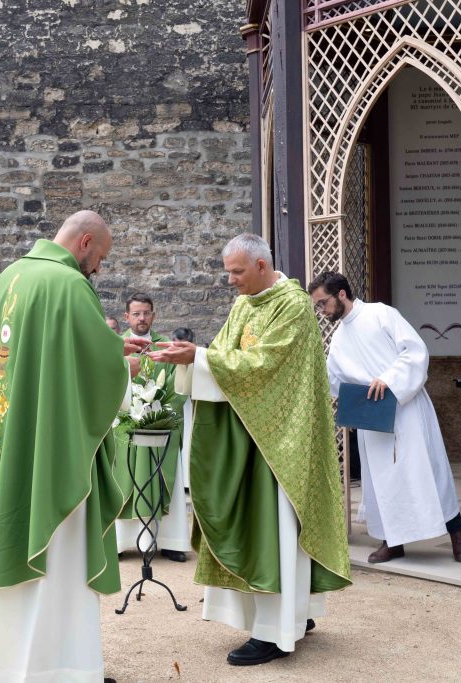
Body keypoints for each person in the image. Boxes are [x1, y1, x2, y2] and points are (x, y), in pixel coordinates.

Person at [0, 210, 141, 683]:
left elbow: (39, 357)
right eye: (100, 258)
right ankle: (60, 668)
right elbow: (92, 370)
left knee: (9, 535)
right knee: (58, 554)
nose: (98, 268)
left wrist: (106, 351)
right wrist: (125, 371)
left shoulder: (9, 276)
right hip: (50, 447)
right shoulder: (69, 285)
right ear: (85, 242)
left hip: (6, 436)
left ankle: (5, 659)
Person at [151, 233, 351, 666]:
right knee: (261, 527)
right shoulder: (244, 303)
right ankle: (293, 612)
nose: (231, 281)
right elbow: (224, 353)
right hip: (247, 431)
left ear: (262, 266)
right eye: (228, 272)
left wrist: (199, 359)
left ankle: (273, 628)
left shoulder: (293, 307)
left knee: (272, 526)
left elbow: (265, 367)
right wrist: (192, 358)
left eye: (237, 272)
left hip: (281, 441)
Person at [309, 272, 461, 563]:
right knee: (381, 479)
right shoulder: (339, 337)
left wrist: (389, 379)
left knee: (427, 471)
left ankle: (457, 531)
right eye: (318, 307)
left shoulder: (381, 314)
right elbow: (333, 378)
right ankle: (392, 541)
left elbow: (414, 351)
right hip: (373, 415)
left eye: (323, 303)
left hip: (405, 407)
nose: (321, 311)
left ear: (341, 294)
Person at [114, 293, 189, 562]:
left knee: (164, 477)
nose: (142, 318)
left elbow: (177, 385)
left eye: (146, 313)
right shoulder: (116, 345)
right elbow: (108, 379)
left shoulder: (166, 347)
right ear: (127, 317)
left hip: (161, 423)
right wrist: (130, 410)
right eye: (136, 314)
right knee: (122, 478)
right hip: (125, 425)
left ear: (154, 315)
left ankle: (170, 540)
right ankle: (121, 543)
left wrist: (162, 410)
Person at [172, 327, 195, 491]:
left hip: (193, 408)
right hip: (175, 410)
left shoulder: (198, 359)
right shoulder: (167, 360)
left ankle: (190, 481)